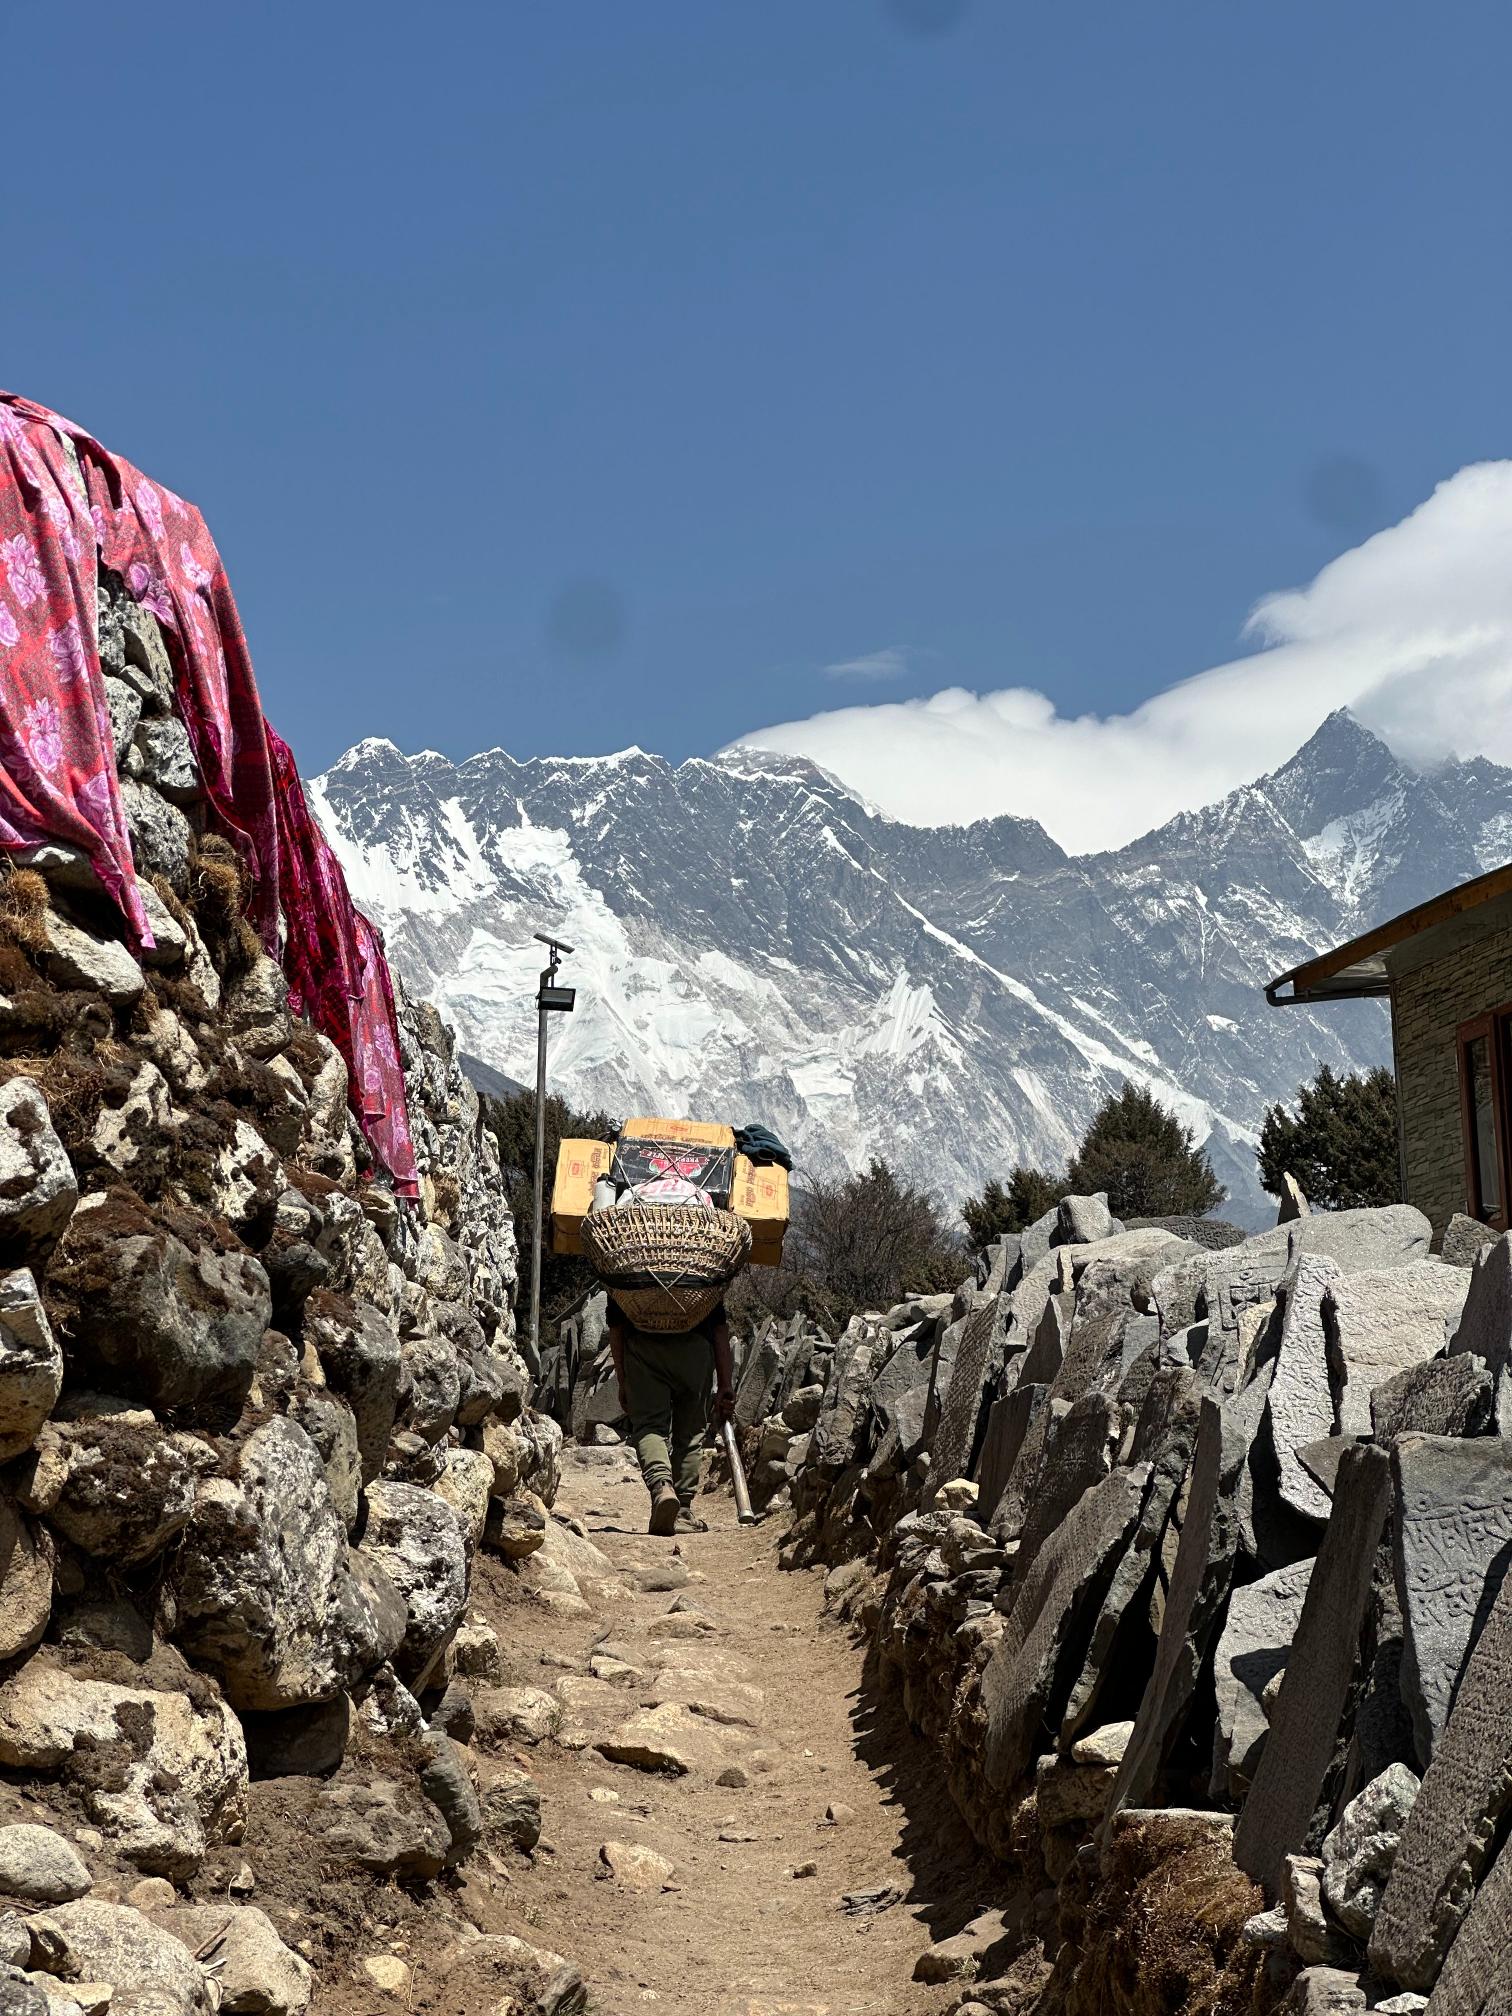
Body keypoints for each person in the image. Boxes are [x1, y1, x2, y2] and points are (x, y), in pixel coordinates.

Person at [606, 1298, 736, 1535]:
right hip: (695, 1351)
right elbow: (719, 1329)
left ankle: (662, 1487)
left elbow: (616, 1328)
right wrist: (726, 1382)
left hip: (644, 1346)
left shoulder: (626, 1268)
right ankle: (683, 1511)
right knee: (691, 1431)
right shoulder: (701, 1269)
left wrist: (623, 1380)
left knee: (649, 1426)